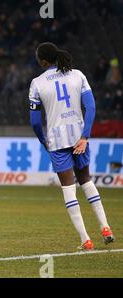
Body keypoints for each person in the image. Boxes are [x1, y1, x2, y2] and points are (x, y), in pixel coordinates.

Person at [29, 42, 114, 250]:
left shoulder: (37, 83)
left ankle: (86, 239)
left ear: (42, 61)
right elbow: (91, 107)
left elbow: (34, 121)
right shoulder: (78, 75)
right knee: (86, 180)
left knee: (69, 189)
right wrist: (85, 136)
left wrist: (43, 140)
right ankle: (106, 228)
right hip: (79, 137)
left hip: (57, 141)